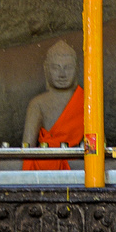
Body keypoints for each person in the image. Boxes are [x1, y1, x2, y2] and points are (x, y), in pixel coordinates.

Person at [21, 40, 83, 171]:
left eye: (68, 67)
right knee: (7, 165)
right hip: (46, 159)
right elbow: (27, 148)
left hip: (76, 161)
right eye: (56, 68)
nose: (62, 74)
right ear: (46, 69)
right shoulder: (37, 103)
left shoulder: (87, 102)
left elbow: (96, 146)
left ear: (77, 69)